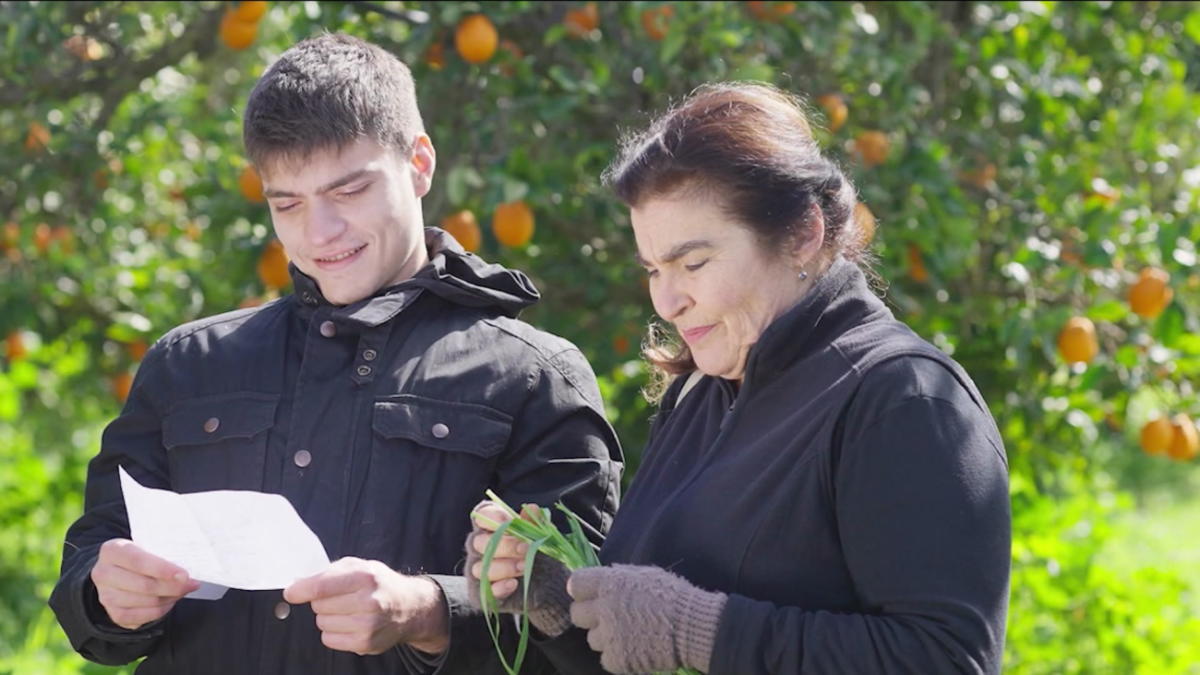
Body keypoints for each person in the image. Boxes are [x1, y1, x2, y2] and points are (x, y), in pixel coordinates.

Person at [49, 33, 622, 675]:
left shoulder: (535, 378)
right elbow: (89, 564)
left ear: (419, 163)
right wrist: (105, 594)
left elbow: (586, 636)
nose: (319, 233)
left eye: (348, 192)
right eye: (287, 203)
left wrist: (430, 612)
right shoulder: (187, 363)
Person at [466, 82, 1011, 674]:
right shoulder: (698, 391)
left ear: (802, 233)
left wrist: (701, 629)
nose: (667, 301)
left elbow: (947, 660)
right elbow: (646, 651)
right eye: (654, 270)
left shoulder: (903, 398)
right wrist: (559, 601)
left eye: (693, 262)